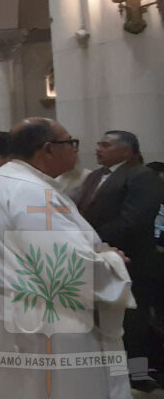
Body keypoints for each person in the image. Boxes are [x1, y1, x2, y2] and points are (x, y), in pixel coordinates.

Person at [0, 118, 135, 398]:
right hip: (39, 320)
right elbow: (65, 267)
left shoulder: (6, 179)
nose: (76, 149)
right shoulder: (31, 192)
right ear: (48, 149)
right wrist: (112, 262)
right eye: (71, 142)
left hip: (7, 309)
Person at [75, 131, 164, 391]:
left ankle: (138, 374)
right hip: (102, 258)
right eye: (99, 143)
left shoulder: (142, 176)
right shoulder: (95, 176)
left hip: (133, 260)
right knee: (107, 320)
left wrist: (93, 240)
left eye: (105, 145)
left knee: (134, 322)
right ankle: (110, 371)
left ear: (126, 150)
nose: (98, 148)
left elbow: (134, 219)